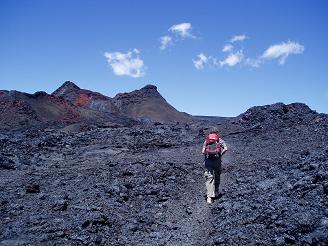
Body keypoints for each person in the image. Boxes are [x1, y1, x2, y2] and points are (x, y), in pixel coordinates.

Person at [201, 127, 228, 204]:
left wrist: (207, 155)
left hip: (208, 161)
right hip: (217, 161)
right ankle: (216, 192)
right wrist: (220, 155)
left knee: (209, 178)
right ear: (217, 132)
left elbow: (203, 151)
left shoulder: (207, 140)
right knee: (217, 176)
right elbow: (225, 148)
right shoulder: (219, 140)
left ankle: (209, 197)